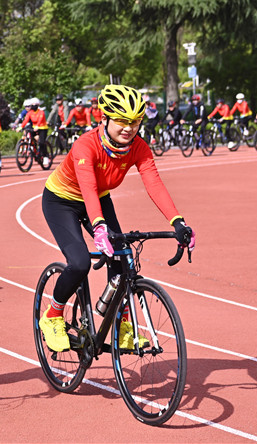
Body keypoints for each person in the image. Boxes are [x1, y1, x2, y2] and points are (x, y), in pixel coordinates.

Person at [39, 84, 195, 353]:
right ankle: (52, 316)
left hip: (99, 199)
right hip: (61, 201)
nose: (129, 128)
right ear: (105, 118)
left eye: (135, 122)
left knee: (124, 259)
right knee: (79, 263)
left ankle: (123, 325)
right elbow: (87, 187)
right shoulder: (85, 146)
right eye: (122, 121)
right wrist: (99, 228)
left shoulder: (139, 147)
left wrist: (178, 222)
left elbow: (154, 183)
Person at [19, 97, 50, 167]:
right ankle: (34, 150)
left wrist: (38, 126)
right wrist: (20, 127)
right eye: (32, 105)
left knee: (42, 142)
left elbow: (40, 119)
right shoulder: (30, 113)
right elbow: (25, 120)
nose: (33, 106)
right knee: (30, 136)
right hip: (34, 128)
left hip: (42, 128)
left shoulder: (41, 112)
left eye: (34, 105)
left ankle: (45, 156)